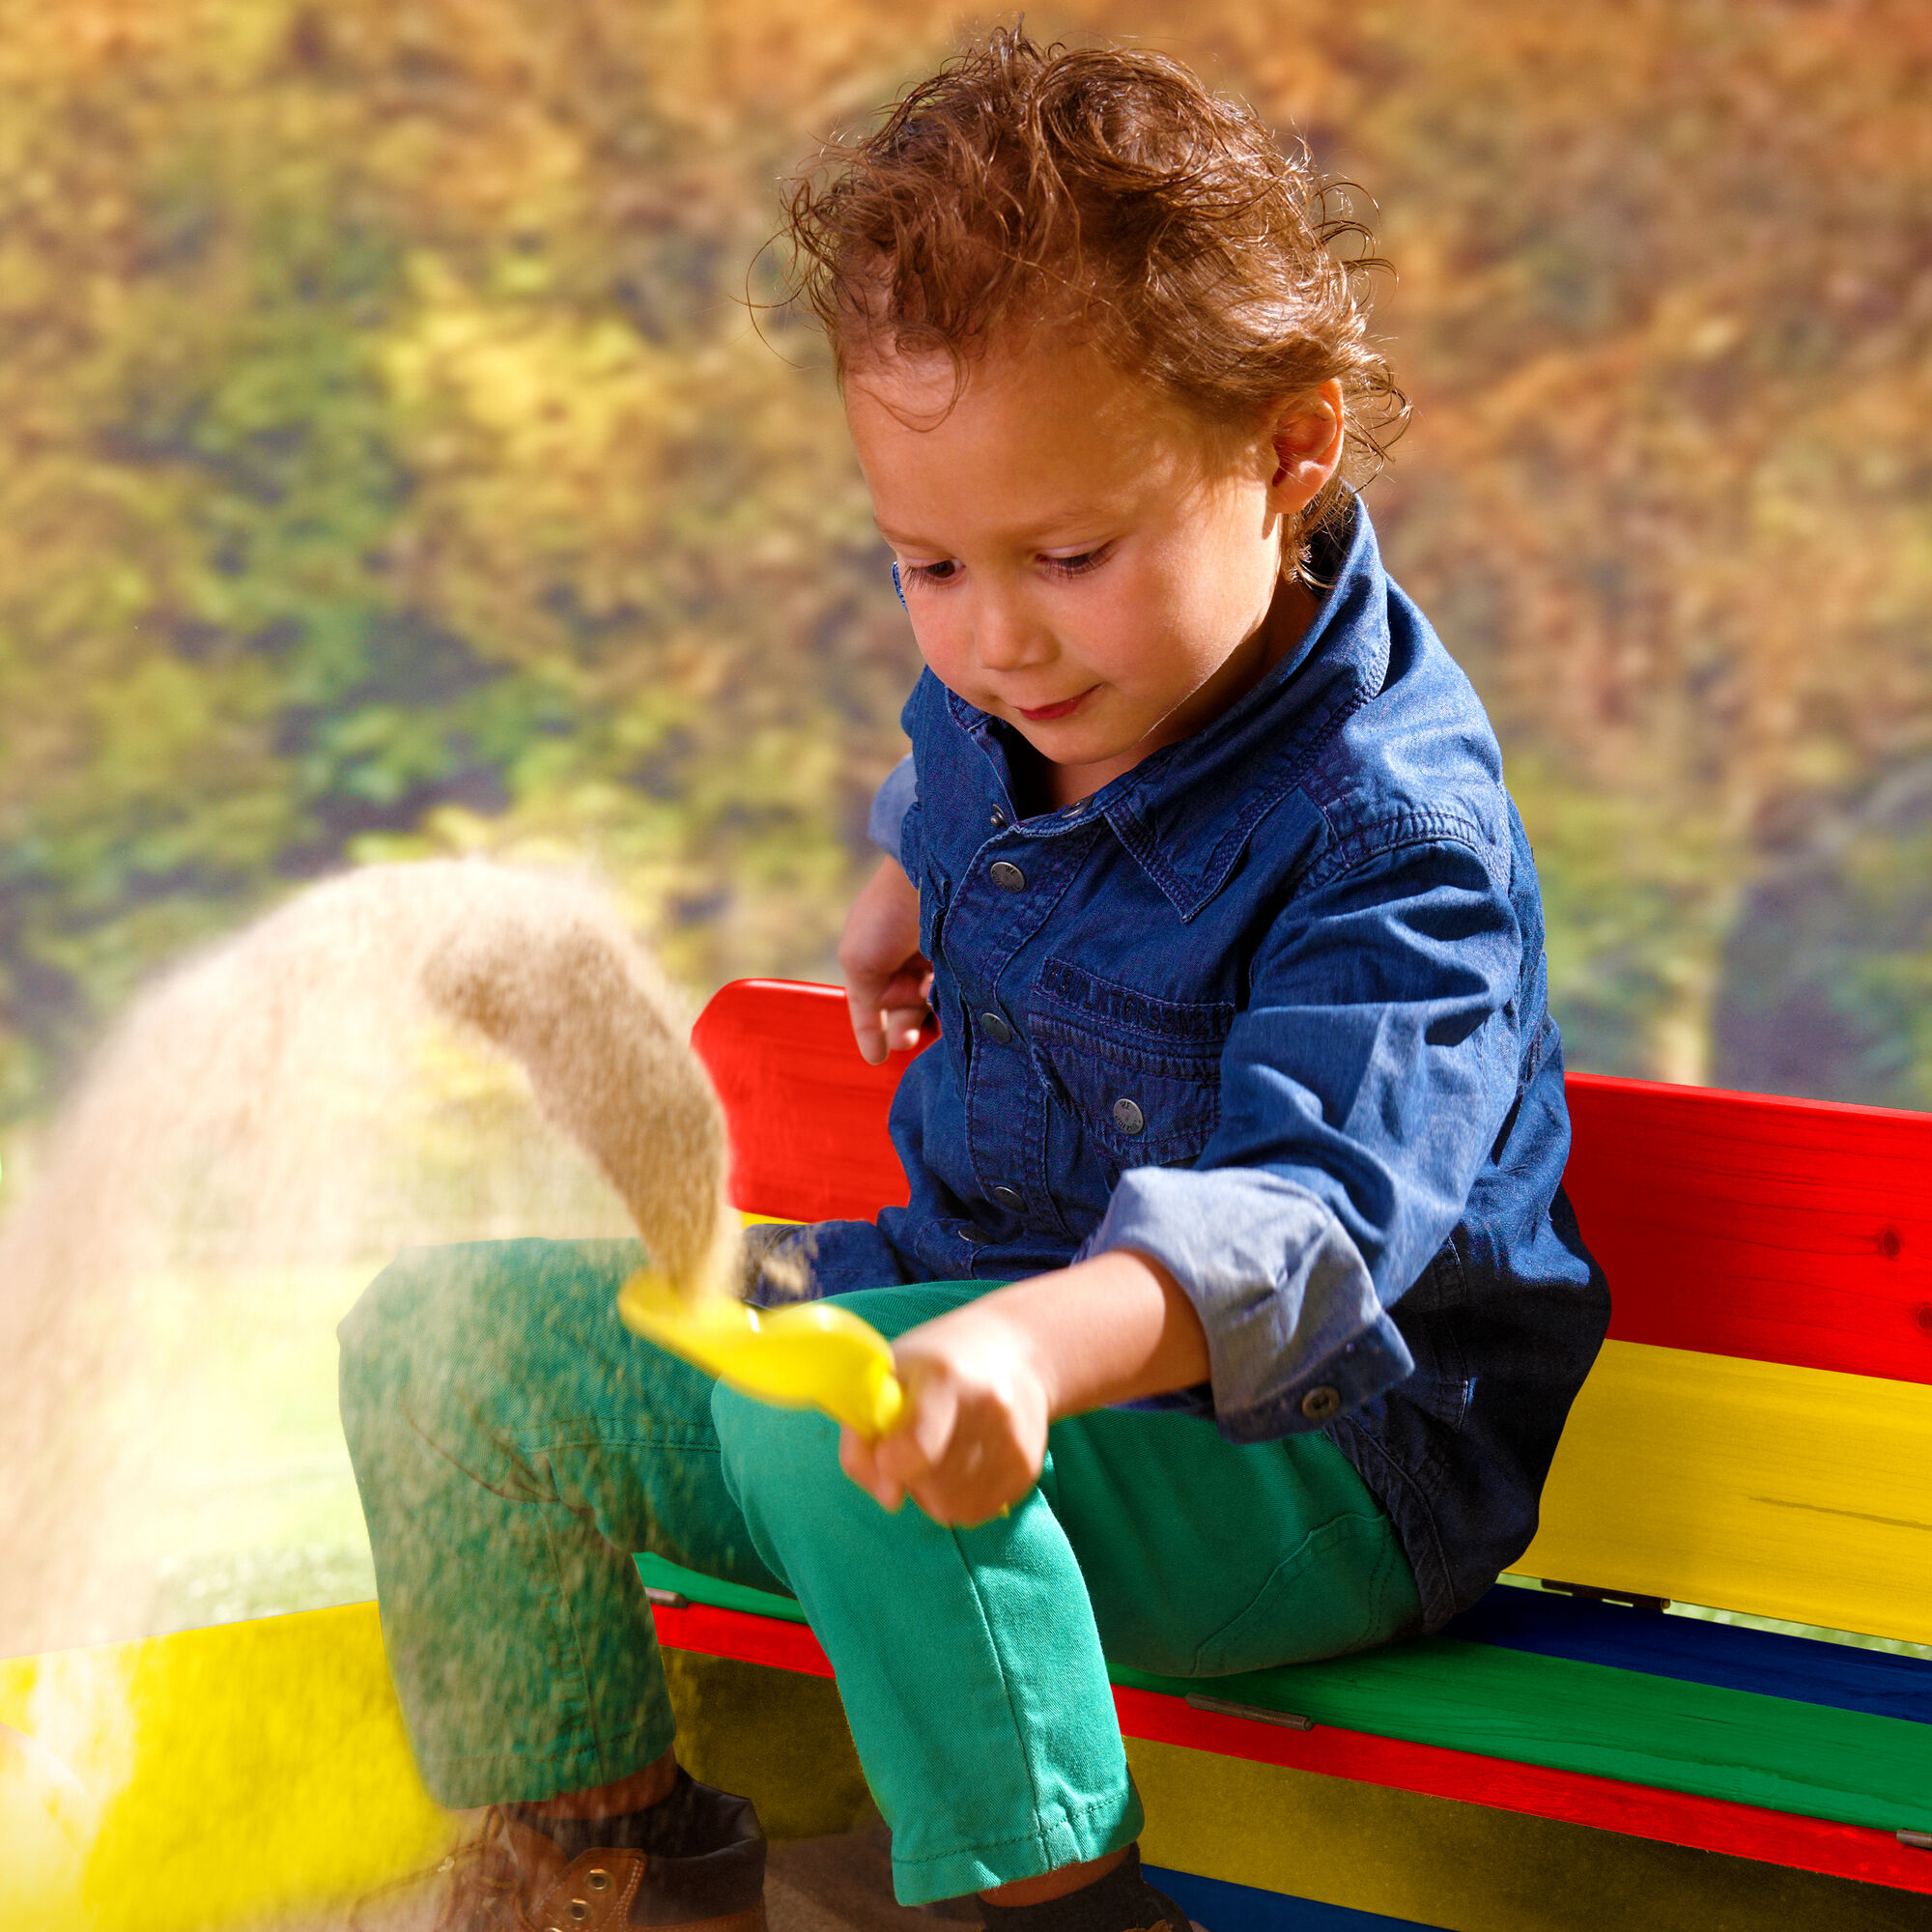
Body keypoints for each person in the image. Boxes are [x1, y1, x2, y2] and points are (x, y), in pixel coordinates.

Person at [338, 29, 1609, 1932]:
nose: (992, 633)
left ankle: (1064, 1908)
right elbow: (958, 754)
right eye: (923, 559)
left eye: (1065, 553)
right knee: (450, 1338)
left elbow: (1306, 1219)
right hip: (964, 1324)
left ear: (1290, 445)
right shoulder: (1051, 660)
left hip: (1301, 1467)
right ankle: (605, 1854)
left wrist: (1021, 1347)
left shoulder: (1384, 831)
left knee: (838, 1423)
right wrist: (901, 879)